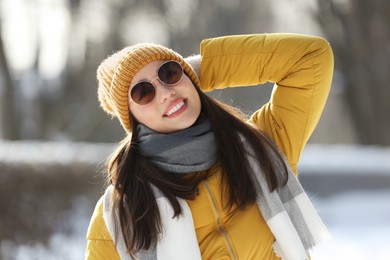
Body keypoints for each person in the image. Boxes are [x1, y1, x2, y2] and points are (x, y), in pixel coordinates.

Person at [85, 33, 334, 260]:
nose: (165, 92)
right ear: (133, 119)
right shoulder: (119, 216)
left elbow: (311, 57)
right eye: (143, 92)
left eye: (169, 73)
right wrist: (179, 80)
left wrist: (196, 72)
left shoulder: (264, 144)